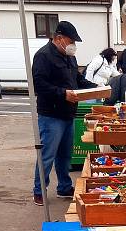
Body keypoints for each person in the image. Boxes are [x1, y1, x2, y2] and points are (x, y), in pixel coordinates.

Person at [32, 20, 96, 206]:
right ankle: (39, 190)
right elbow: (39, 85)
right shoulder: (43, 56)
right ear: (58, 38)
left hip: (69, 113)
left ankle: (63, 187)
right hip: (51, 115)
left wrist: (96, 88)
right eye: (71, 41)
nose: (73, 45)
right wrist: (62, 93)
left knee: (65, 155)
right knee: (47, 155)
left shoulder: (70, 57)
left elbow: (77, 80)